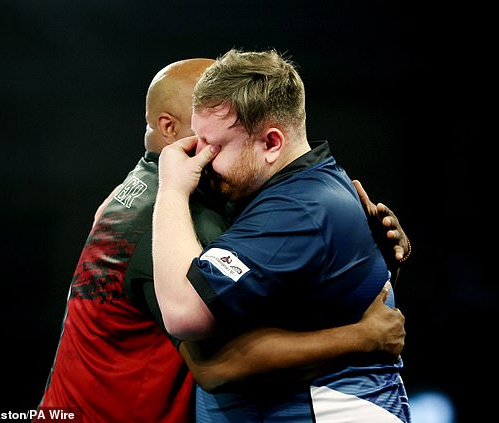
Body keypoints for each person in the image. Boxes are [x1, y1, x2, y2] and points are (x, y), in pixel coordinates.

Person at [37, 57, 410, 423]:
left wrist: (359, 253)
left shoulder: (134, 192)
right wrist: (363, 337)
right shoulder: (170, 213)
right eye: (206, 135)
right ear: (170, 127)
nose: (211, 152)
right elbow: (217, 365)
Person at [153, 49, 411, 422]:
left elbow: (183, 315)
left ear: (271, 143)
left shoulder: (299, 209)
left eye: (217, 145)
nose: (201, 158)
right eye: (200, 140)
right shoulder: (299, 190)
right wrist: (362, 336)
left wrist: (172, 189)